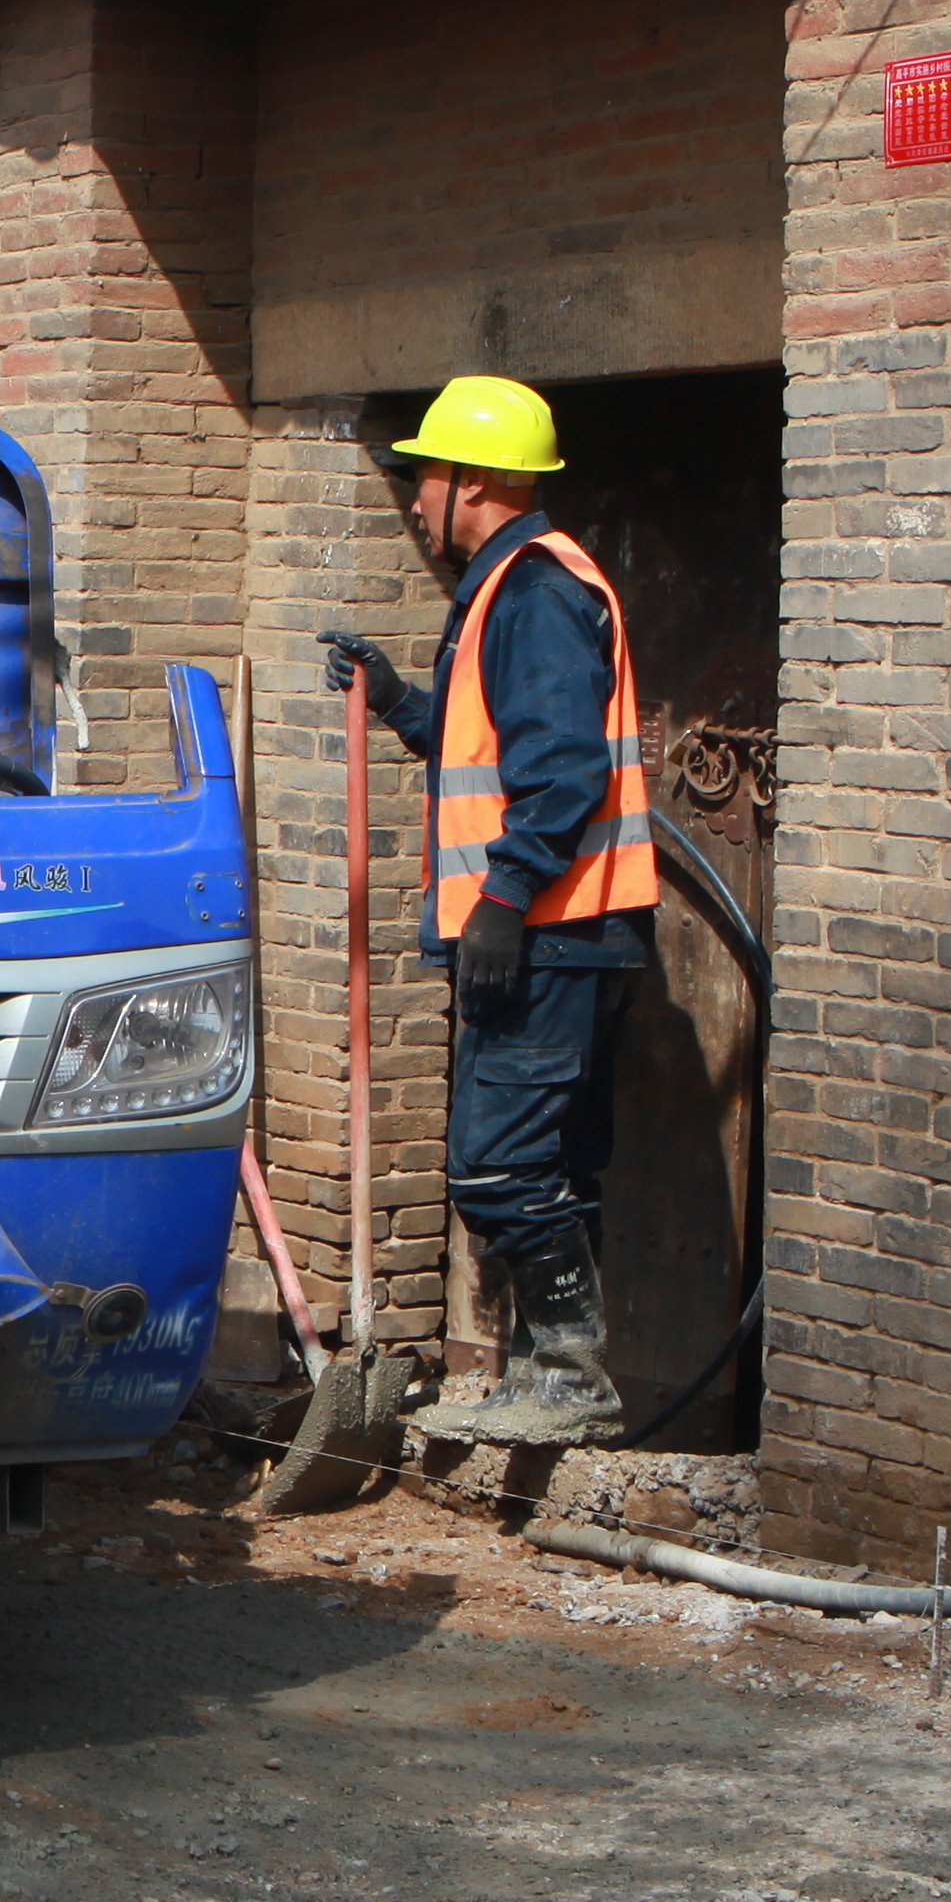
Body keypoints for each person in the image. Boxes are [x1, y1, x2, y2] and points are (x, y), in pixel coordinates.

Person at [323, 375, 656, 1449]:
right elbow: (491, 752)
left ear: (473, 482)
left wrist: (506, 899)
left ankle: (567, 1379)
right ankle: (547, 1377)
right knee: (553, 1166)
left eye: (422, 475)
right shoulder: (510, 592)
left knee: (497, 1165)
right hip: (566, 931)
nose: (413, 498)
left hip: (549, 933)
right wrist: (399, 700)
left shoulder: (532, 594)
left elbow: (559, 770)